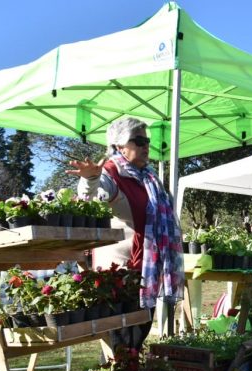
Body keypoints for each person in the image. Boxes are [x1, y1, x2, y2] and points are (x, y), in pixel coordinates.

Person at [67, 117, 185, 349]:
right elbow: (89, 198)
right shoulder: (111, 173)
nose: (145, 146)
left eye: (147, 141)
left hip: (147, 272)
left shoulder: (149, 178)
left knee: (137, 337)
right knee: (122, 343)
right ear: (119, 146)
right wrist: (90, 178)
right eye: (138, 140)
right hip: (119, 274)